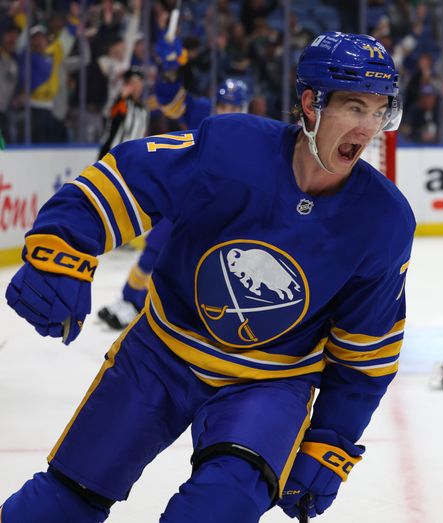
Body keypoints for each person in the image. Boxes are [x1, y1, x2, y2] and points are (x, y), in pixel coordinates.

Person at [1, 31, 414, 523]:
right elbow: (128, 176)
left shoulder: (384, 222)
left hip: (269, 384)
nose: (368, 128)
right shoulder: (232, 147)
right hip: (160, 353)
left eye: (378, 110)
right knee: (63, 500)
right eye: (353, 107)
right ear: (310, 103)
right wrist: (63, 246)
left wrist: (332, 440)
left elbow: (366, 354)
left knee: (222, 506)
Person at [97, 37, 253, 330]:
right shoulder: (205, 114)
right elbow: (170, 100)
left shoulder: (256, 133)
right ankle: (131, 301)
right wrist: (169, 73)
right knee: (156, 246)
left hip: (225, 211)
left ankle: (201, 315)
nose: (225, 110)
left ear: (244, 107)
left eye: (233, 105)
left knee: (212, 266)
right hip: (189, 198)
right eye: (223, 104)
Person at [97, 68, 148, 160]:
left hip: (133, 158)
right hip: (113, 157)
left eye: (138, 82)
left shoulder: (143, 110)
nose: (136, 86)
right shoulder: (122, 104)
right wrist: (121, 97)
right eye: (132, 83)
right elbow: (115, 117)